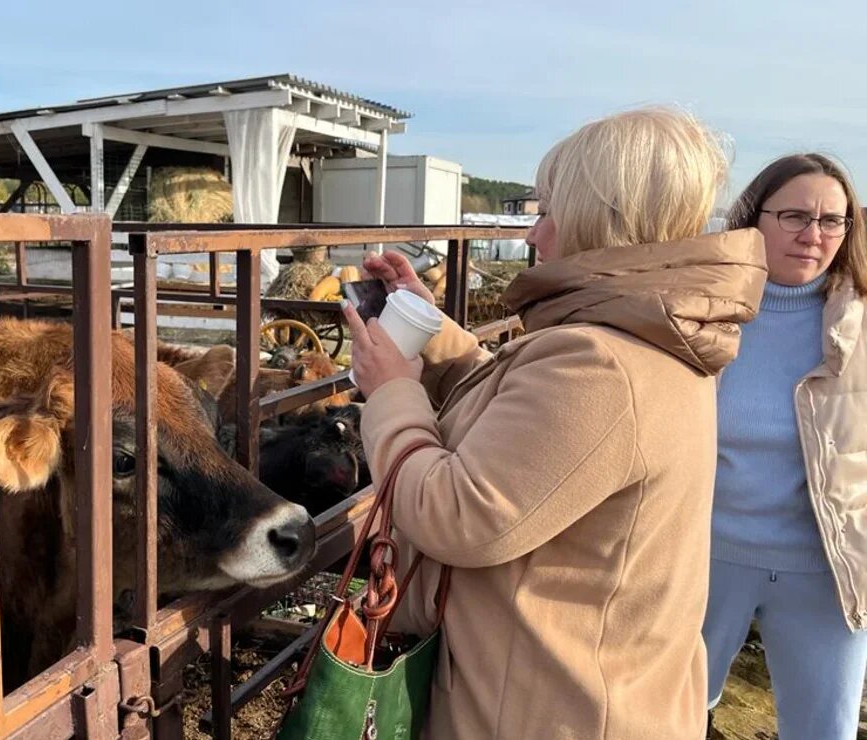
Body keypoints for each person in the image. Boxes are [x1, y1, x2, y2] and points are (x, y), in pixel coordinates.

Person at [339, 106, 768, 739]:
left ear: (601, 218)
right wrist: (434, 340)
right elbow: (541, 435)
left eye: (545, 212)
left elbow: (457, 513)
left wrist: (392, 393)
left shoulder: (599, 360)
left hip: (544, 708)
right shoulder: (649, 332)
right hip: (597, 692)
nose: (533, 235)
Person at [701, 153, 867, 740]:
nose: (813, 235)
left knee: (825, 730)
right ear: (753, 217)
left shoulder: (862, 323)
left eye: (832, 221)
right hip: (702, 557)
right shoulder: (703, 310)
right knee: (671, 717)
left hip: (827, 567)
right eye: (795, 215)